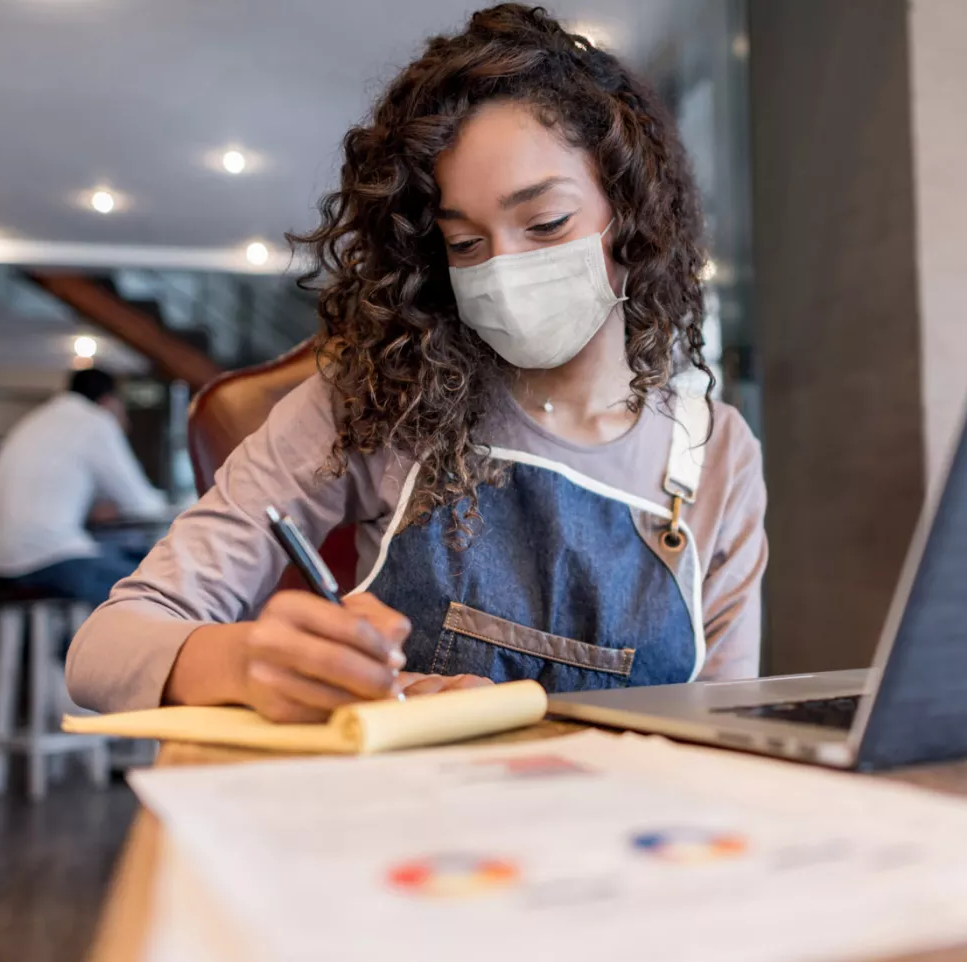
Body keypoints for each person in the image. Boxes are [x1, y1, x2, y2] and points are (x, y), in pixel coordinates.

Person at [68, 4, 768, 718]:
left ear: (634, 215)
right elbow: (104, 647)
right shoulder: (379, 400)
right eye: (465, 245)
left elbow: (729, 724)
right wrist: (242, 661)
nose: (505, 268)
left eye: (546, 224)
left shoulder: (716, 455)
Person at [0, 368, 169, 605]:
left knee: (122, 563)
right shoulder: (95, 421)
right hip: (45, 561)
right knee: (159, 586)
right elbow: (142, 504)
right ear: (109, 401)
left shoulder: (35, 419)